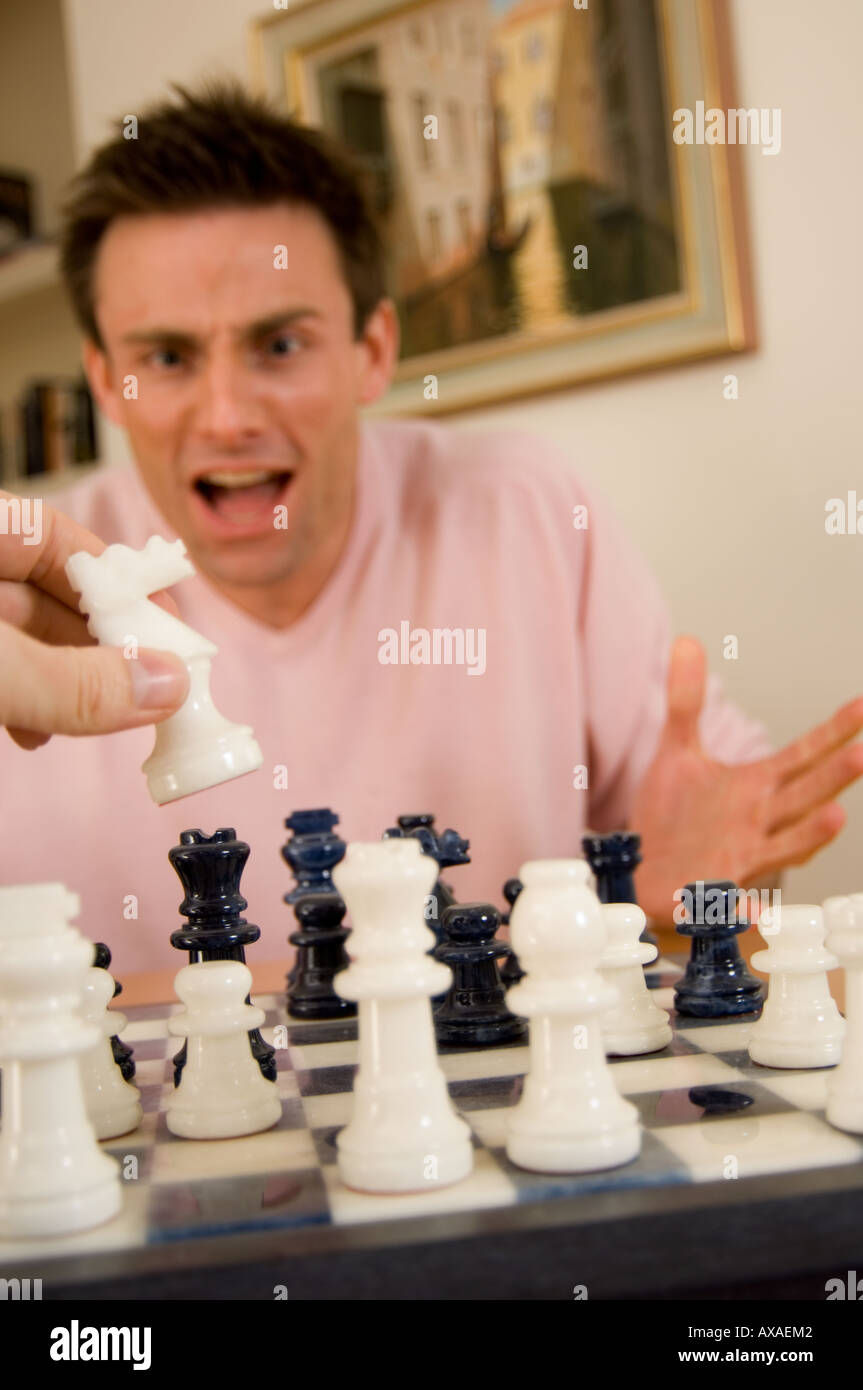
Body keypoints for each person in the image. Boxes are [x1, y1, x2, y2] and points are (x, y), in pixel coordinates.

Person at [2, 84, 861, 974]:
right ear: (105, 381)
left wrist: (684, 909)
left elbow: (739, 880)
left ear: (373, 349)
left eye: (281, 345)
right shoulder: (23, 590)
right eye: (168, 358)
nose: (226, 417)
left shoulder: (527, 508)